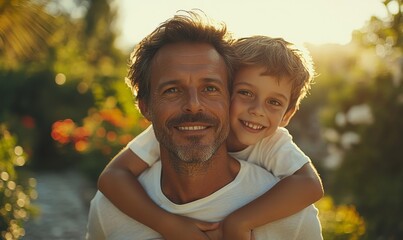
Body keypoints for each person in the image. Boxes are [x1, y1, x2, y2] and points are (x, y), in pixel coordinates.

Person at [87, 10, 323, 240]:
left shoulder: (288, 206)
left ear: (287, 115)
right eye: (172, 90)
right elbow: (113, 175)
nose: (194, 106)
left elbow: (310, 185)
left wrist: (239, 222)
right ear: (146, 107)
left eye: (210, 88)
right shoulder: (112, 208)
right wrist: (168, 224)